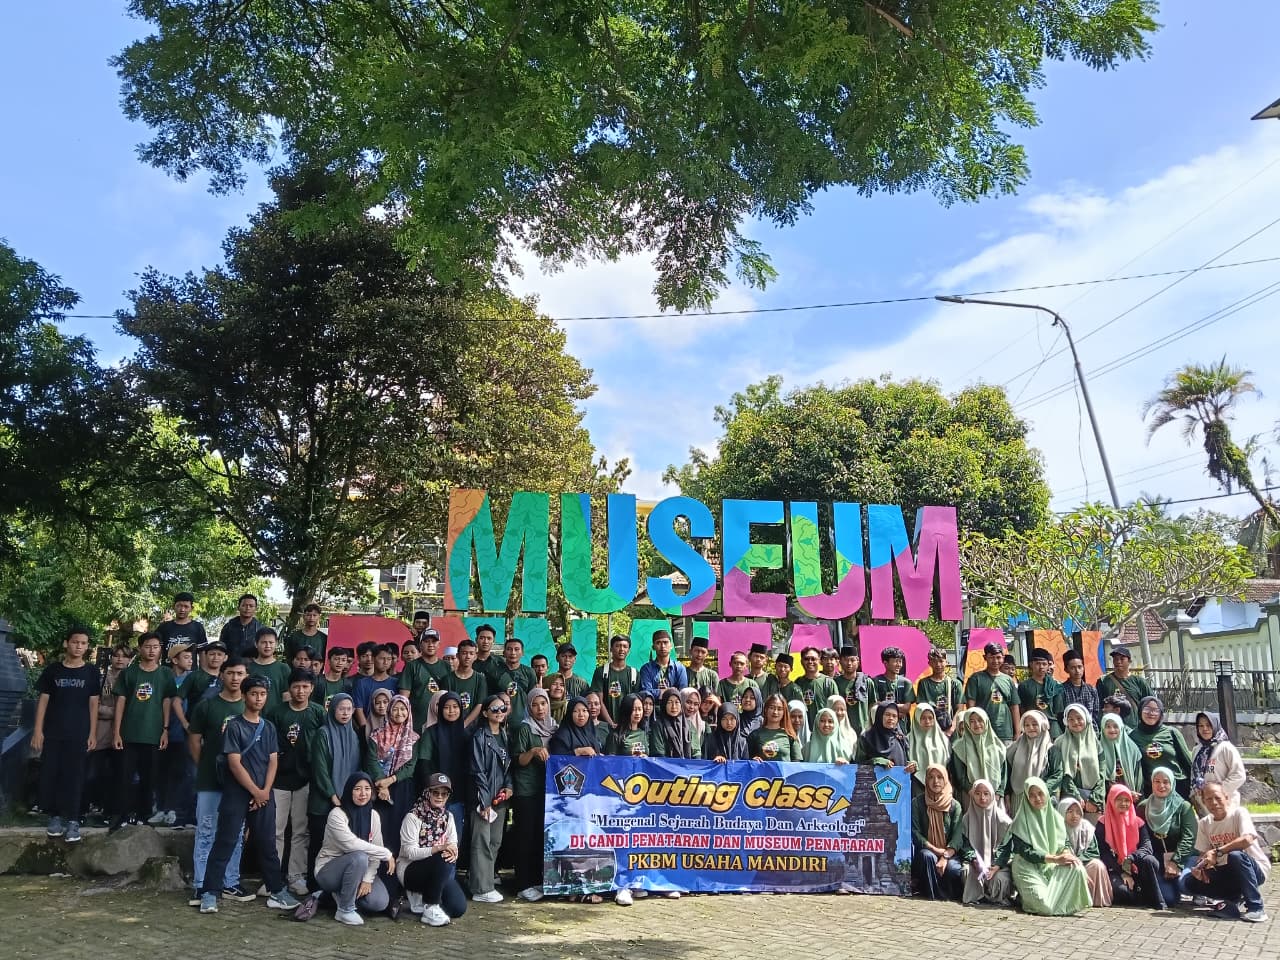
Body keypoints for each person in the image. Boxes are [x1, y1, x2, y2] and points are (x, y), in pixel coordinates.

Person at [198, 676, 300, 914]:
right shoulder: (234, 726)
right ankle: (210, 892)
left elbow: (273, 761)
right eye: (254, 694)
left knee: (267, 843)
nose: (258, 698)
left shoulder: (269, 727)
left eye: (262, 694)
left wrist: (264, 791)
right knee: (225, 841)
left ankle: (277, 891)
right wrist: (255, 791)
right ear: (244, 696)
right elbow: (234, 763)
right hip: (237, 793)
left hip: (263, 794)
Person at [187, 658, 253, 905]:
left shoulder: (250, 707)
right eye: (231, 673)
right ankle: (201, 884)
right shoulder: (206, 706)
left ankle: (230, 882)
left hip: (240, 783)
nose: (235, 678)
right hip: (210, 780)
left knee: (235, 832)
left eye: (240, 673)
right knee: (206, 831)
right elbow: (194, 740)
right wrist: (204, 766)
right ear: (222, 675)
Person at [33, 626, 100, 843]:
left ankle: (73, 819)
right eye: (75, 642)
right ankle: (54, 816)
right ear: (66, 643)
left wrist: (93, 733)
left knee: (75, 776)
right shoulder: (53, 670)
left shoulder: (91, 672)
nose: (79, 646)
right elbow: (43, 701)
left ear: (87, 646)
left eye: (83, 643)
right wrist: (38, 730)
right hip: (53, 732)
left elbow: (94, 704)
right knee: (51, 774)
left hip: (79, 733)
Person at [995, 777, 1091, 916]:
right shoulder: (1020, 821)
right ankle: (1027, 899)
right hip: (1026, 867)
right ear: (1026, 798)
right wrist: (1055, 859)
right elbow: (1026, 852)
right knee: (1046, 907)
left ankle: (1058, 901)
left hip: (1050, 864)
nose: (1037, 798)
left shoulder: (1056, 818)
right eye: (1032, 795)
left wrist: (1066, 853)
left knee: (1077, 867)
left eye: (1040, 793)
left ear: (1046, 793)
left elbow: (1064, 843)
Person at [111, 630, 177, 830]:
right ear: (140, 648)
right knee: (124, 777)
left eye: (156, 647)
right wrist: (116, 732)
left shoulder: (165, 673)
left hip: (153, 734)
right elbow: (120, 702)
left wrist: (165, 729)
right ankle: (122, 815)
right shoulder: (129, 672)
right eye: (147, 646)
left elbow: (167, 701)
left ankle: (143, 815)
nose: (151, 650)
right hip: (129, 733)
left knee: (149, 778)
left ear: (160, 649)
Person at [268, 667, 324, 897]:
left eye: (305, 687)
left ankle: (296, 876)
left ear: (312, 688)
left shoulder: (318, 712)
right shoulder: (276, 713)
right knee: (276, 829)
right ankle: (272, 876)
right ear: (289, 689)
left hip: (306, 779)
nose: (300, 691)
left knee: (301, 830)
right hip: (279, 779)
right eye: (296, 686)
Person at [313, 772, 396, 924]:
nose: (363, 793)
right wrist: (386, 853)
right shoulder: (337, 814)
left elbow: (375, 852)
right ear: (349, 791)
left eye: (367, 789)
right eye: (357, 789)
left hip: (360, 870)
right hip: (328, 871)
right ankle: (345, 909)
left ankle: (335, 896)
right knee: (359, 856)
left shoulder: (373, 815)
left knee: (379, 902)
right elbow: (351, 844)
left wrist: (367, 879)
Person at [1182, 782, 1271, 922]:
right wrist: (1202, 869)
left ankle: (1256, 908)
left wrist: (1218, 851)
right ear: (1203, 802)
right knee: (1189, 882)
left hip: (1254, 869)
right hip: (1226, 871)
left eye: (1218, 798)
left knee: (1235, 856)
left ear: (1226, 797)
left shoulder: (1238, 813)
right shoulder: (1204, 823)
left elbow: (1247, 839)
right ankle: (1233, 899)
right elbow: (1204, 854)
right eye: (1209, 799)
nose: (1214, 802)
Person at [307, 693, 371, 886]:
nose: (345, 713)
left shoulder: (354, 735)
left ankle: (336, 887)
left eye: (349, 709)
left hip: (347, 803)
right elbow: (319, 770)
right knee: (319, 844)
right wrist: (333, 796)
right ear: (332, 709)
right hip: (324, 802)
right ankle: (314, 886)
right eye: (341, 709)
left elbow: (357, 769)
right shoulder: (323, 734)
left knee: (342, 846)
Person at [398, 773, 467, 926]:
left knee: (458, 908)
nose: (440, 797)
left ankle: (426, 900)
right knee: (442, 855)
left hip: (438, 869)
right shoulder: (413, 817)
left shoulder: (448, 817)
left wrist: (453, 852)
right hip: (409, 869)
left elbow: (453, 843)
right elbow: (410, 852)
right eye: (436, 792)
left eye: (444, 793)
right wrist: (439, 848)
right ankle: (431, 906)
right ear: (427, 792)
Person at [413, 692, 471, 874]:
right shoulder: (431, 733)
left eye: (455, 707)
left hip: (458, 798)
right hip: (435, 799)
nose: (451, 711)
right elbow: (424, 763)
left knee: (453, 842)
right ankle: (430, 881)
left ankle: (449, 881)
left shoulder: (466, 734)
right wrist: (435, 791)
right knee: (432, 842)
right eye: (446, 707)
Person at [510, 687, 553, 902]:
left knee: (539, 837)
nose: (540, 709)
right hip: (526, 790)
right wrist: (533, 751)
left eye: (543, 704)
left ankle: (536, 880)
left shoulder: (553, 727)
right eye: (535, 705)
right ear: (529, 707)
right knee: (525, 837)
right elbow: (518, 760)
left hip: (546, 791)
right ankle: (522, 884)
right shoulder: (525, 728)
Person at [470, 693, 513, 903]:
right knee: (482, 842)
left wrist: (509, 787)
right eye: (494, 709)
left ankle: (486, 882)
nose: (499, 712)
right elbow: (477, 771)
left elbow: (509, 766)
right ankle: (481, 888)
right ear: (485, 713)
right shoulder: (479, 737)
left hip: (500, 798)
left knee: (495, 841)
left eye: (502, 708)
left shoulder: (505, 735)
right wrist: (484, 801)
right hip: (484, 799)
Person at [1096, 783, 1166, 909]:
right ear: (1111, 800)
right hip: (1115, 869)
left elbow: (1147, 847)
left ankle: (1154, 898)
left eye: (1127, 800)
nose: (1123, 803)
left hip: (1137, 866)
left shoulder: (1138, 822)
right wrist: (1123, 872)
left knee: (1150, 860)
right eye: (1119, 799)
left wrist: (1131, 858)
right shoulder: (1103, 823)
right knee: (1121, 891)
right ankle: (1141, 895)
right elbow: (1104, 853)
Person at [1139, 766, 1198, 907]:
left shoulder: (1183, 806)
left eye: (1166, 782)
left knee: (1184, 884)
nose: (1161, 786)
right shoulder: (1143, 807)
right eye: (1157, 781)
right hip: (1160, 859)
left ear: (1172, 783)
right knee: (1168, 899)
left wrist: (1175, 862)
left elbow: (1189, 837)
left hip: (1184, 857)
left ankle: (1200, 891)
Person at [370, 694, 419, 854]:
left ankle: (398, 863)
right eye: (395, 709)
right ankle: (380, 863)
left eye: (403, 709)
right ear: (389, 711)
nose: (399, 713)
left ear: (408, 711)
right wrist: (382, 784)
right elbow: (371, 760)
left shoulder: (413, 738)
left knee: (400, 826)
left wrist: (389, 780)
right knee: (381, 827)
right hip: (380, 789)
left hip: (401, 788)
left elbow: (410, 766)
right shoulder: (376, 735)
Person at [153, 641, 195, 826]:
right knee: (161, 771)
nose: (190, 660)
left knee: (180, 773)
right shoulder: (164, 678)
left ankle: (174, 809)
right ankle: (160, 808)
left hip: (183, 734)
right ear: (174, 660)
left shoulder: (192, 678)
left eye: (191, 657)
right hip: (162, 732)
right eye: (186, 657)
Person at [912, 764, 965, 901]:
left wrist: (945, 856)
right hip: (927, 849)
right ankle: (932, 893)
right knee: (927, 857)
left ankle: (949, 895)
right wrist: (935, 850)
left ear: (946, 779)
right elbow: (915, 832)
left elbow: (958, 836)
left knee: (953, 869)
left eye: (940, 777)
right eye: (931, 777)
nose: (935, 781)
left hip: (949, 853)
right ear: (926, 780)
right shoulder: (918, 803)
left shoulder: (954, 805)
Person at [1128, 697, 1194, 798]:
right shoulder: (1133, 736)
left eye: (1155, 710)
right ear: (1140, 711)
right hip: (1152, 789)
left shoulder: (1171, 732)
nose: (1151, 713)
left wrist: (1195, 785)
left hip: (1177, 786)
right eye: (1147, 709)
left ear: (1161, 713)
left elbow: (1187, 761)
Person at [961, 779, 1014, 906]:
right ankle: (979, 896)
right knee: (966, 872)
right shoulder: (966, 819)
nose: (982, 798)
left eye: (986, 793)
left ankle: (992, 897)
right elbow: (965, 845)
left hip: (998, 865)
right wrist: (974, 860)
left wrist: (996, 866)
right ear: (973, 795)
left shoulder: (1004, 821)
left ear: (992, 795)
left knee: (999, 880)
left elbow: (1006, 848)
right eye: (978, 793)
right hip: (976, 865)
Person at [1058, 797, 1113, 907]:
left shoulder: (1087, 828)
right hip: (1063, 864)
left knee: (1097, 865)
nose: (1074, 815)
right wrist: (1073, 862)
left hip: (1083, 862)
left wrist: (1078, 861)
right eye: (1070, 811)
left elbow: (1093, 852)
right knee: (1073, 868)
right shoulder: (1057, 828)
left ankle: (1095, 900)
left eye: (1078, 812)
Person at [1005, 710, 1064, 812]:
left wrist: (1041, 790)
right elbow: (1008, 772)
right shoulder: (1015, 748)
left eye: (1034, 724)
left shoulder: (1051, 750)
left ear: (1042, 725)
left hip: (1041, 798)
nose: (1030, 728)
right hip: (1018, 798)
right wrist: (1007, 794)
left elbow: (1057, 774)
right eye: (1027, 725)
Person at [964, 642, 1020, 743]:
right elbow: (971, 707)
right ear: (985, 657)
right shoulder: (976, 678)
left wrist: (1017, 732)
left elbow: (1014, 707)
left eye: (998, 657)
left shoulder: (1008, 680)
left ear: (1003, 658)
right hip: (983, 731)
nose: (995, 661)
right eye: (991, 657)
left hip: (1005, 732)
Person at [949, 707, 1007, 804]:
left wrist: (999, 792)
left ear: (986, 721)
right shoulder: (959, 747)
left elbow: (1003, 772)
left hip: (994, 796)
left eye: (980, 720)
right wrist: (971, 791)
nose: (976, 724)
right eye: (972, 721)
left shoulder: (998, 746)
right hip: (970, 795)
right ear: (967, 723)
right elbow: (960, 774)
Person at [1191, 711, 1246, 811]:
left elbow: (1239, 775)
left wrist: (1218, 790)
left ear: (1215, 726)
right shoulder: (1197, 750)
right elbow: (1194, 775)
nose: (1205, 729)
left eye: (1208, 725)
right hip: (1204, 806)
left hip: (1226, 805)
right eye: (1201, 726)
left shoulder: (1225, 748)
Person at [1056, 704, 1104, 817]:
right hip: (1069, 799)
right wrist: (1076, 796)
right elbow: (1061, 772)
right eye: (1071, 719)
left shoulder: (1095, 742)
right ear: (1066, 722)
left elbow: (1102, 771)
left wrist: (1095, 799)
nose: (1075, 722)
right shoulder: (1059, 743)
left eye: (1079, 718)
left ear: (1086, 719)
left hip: (1093, 801)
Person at [398, 627, 450, 728]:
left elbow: (449, 695)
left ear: (439, 644)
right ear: (420, 645)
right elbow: (403, 697)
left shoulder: (446, 666)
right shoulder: (411, 666)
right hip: (416, 722)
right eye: (426, 641)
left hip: (440, 721)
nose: (430, 645)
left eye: (434, 641)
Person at [1095, 646, 1152, 729]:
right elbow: (1099, 706)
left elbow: (1150, 703)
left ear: (1129, 661)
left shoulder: (1139, 682)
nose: (1118, 662)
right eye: (1115, 659)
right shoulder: (1103, 681)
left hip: (1135, 728)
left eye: (1122, 659)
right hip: (1112, 728)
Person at [1017, 648, 1066, 738]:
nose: (1041, 667)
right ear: (1031, 664)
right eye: (1037, 664)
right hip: (1032, 727)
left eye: (1044, 664)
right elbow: (1022, 709)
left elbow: (1058, 711)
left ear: (1048, 666)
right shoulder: (1024, 686)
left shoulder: (1055, 686)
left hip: (1052, 728)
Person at [854, 701, 914, 773]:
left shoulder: (900, 738)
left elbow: (905, 761)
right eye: (887, 714)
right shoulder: (867, 737)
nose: (891, 718)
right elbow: (858, 765)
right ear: (880, 715)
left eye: (894, 716)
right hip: (874, 779)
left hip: (898, 779)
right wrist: (876, 761)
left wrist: (911, 766)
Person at [590, 634, 637, 726]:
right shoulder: (601, 672)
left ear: (628, 650)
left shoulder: (634, 674)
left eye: (625, 646)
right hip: (604, 726)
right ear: (611, 649)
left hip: (627, 726)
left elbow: (636, 703)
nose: (621, 649)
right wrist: (610, 723)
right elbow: (598, 701)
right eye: (618, 646)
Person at [916, 647, 963, 736]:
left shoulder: (955, 684)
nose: (938, 664)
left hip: (951, 730)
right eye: (934, 661)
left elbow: (959, 709)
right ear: (929, 663)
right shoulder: (924, 683)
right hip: (929, 730)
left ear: (946, 662)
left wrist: (951, 729)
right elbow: (921, 709)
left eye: (941, 661)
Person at [490, 636, 537, 725]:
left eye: (516, 649)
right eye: (509, 649)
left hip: (524, 721)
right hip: (499, 721)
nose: (513, 653)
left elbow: (532, 698)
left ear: (522, 653)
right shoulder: (495, 672)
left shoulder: (529, 672)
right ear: (504, 653)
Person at [352, 644, 399, 729]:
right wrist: (366, 730)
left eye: (389, 659)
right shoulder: (361, 684)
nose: (386, 662)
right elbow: (359, 710)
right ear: (373, 659)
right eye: (382, 658)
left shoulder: (396, 683)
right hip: (369, 729)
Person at [1099, 713, 1145, 798]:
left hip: (1131, 797)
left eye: (1115, 726)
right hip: (1106, 797)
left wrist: (1136, 794)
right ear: (1102, 728)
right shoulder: (1098, 749)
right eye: (1108, 726)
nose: (1112, 730)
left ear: (1121, 727)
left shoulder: (1132, 749)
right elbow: (1099, 779)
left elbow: (1138, 776)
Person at [870, 646, 915, 732]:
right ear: (885, 663)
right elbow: (875, 704)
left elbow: (906, 707)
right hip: (881, 726)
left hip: (902, 727)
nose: (899, 665)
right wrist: (897, 713)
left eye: (900, 661)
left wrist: (884, 707)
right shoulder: (876, 681)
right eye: (895, 661)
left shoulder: (906, 682)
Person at [445, 637, 489, 725]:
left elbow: (479, 704)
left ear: (475, 656)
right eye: (464, 653)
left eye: (471, 653)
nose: (468, 657)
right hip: (451, 725)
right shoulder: (447, 679)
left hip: (473, 727)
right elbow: (445, 704)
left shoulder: (480, 679)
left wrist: (464, 724)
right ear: (458, 655)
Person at [907, 702, 950, 790]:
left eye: (930, 718)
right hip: (916, 785)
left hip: (941, 785)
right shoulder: (908, 740)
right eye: (923, 718)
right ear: (917, 718)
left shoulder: (943, 740)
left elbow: (949, 764)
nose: (927, 721)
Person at [749, 693, 803, 761]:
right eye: (772, 708)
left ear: (784, 712)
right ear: (766, 709)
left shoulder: (790, 736)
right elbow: (746, 761)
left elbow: (797, 763)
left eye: (779, 709)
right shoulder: (754, 735)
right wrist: (752, 761)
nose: (775, 712)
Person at [795, 647, 840, 729]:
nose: (810, 662)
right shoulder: (798, 683)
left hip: (824, 730)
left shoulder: (829, 682)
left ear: (819, 661)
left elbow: (836, 709)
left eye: (813, 659)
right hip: (803, 730)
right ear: (801, 661)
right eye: (806, 659)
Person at [247, 626, 290, 710]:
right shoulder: (248, 668)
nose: (268, 646)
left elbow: (287, 696)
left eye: (271, 642)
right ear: (256, 644)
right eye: (264, 642)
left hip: (276, 715)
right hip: (252, 714)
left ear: (276, 644)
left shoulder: (283, 668)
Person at [157, 592, 208, 658]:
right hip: (167, 664)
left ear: (191, 608)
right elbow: (157, 650)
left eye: (186, 606)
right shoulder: (163, 627)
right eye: (179, 606)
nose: (182, 609)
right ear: (173, 606)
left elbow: (202, 653)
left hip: (191, 665)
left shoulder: (198, 627)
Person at [639, 630, 688, 695]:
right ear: (653, 647)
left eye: (665, 642)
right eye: (658, 643)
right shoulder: (646, 669)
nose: (662, 646)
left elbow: (683, 692)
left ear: (671, 646)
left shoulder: (680, 668)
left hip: (675, 702)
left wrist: (659, 692)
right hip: (653, 702)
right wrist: (668, 691)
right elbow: (646, 693)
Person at [1060, 649, 1101, 725]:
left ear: (1083, 667)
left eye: (1079, 667)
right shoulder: (1061, 690)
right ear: (1066, 670)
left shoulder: (1091, 690)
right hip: (1070, 729)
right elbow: (1060, 715)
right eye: (1072, 668)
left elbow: (1096, 713)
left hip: (1090, 728)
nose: (1077, 671)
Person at [650, 688, 693, 759]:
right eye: (669, 702)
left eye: (677, 702)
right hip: (665, 764)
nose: (673, 706)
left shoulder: (687, 724)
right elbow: (658, 753)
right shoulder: (658, 725)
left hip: (687, 765)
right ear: (664, 704)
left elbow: (695, 751)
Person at [218, 593, 262, 659]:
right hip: (231, 664)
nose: (247, 608)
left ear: (256, 609)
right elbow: (221, 648)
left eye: (251, 606)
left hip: (253, 664)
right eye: (244, 605)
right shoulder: (228, 627)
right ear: (238, 607)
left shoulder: (261, 628)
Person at [826, 695, 858, 760]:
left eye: (842, 709)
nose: (839, 713)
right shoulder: (823, 731)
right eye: (835, 709)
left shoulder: (851, 733)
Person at [681, 687, 706, 758]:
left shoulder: (701, 725)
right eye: (688, 702)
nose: (692, 707)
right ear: (681, 701)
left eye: (696, 704)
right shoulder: (674, 723)